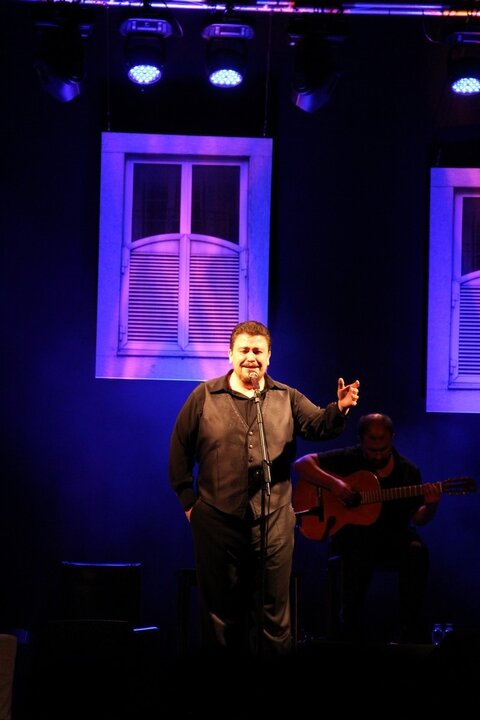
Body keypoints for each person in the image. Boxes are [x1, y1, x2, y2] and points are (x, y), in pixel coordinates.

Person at [168, 319, 360, 660]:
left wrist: (340, 409)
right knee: (220, 612)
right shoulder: (204, 396)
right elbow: (179, 451)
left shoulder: (286, 397)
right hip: (216, 520)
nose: (251, 358)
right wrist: (189, 503)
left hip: (274, 521)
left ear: (269, 357)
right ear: (230, 354)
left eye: (258, 351)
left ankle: (270, 684)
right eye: (244, 350)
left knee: (273, 611)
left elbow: (318, 425)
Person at [292, 412, 441, 644]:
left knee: (417, 551)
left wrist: (431, 506)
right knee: (356, 554)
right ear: (361, 441)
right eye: (372, 450)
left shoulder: (407, 471)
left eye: (383, 449)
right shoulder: (349, 458)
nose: (378, 455)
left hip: (393, 540)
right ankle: (349, 635)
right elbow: (301, 464)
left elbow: (418, 518)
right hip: (355, 540)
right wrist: (336, 485)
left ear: (392, 438)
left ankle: (409, 632)